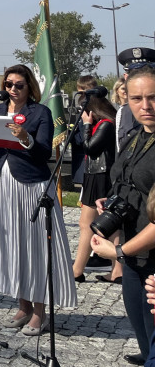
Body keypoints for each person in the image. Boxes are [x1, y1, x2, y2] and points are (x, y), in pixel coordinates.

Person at [0, 63, 76, 336]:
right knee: (12, 245)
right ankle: (23, 306)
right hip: (2, 184)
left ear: (29, 86)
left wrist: (26, 138)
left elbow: (44, 152)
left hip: (32, 185)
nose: (12, 89)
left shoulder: (40, 112)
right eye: (8, 85)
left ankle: (40, 312)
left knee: (34, 248)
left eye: (18, 85)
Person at [91, 55, 155, 365]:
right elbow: (124, 179)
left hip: (147, 254)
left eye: (153, 97)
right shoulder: (133, 138)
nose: (146, 106)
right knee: (141, 326)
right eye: (137, 98)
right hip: (133, 255)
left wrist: (116, 252)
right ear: (125, 99)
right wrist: (111, 199)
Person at [71, 90, 119, 282]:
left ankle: (77, 270)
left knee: (89, 225)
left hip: (100, 176)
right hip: (94, 175)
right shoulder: (104, 124)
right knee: (107, 226)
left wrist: (87, 125)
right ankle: (116, 271)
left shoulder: (106, 124)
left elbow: (90, 147)